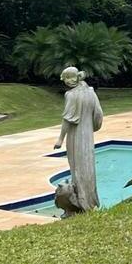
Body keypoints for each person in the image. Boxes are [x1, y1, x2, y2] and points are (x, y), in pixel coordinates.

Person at [53, 66, 104, 213]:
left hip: (76, 136)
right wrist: (90, 127)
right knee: (88, 168)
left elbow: (67, 120)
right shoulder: (91, 92)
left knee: (77, 168)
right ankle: (90, 201)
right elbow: (98, 115)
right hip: (88, 136)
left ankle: (81, 203)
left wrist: (60, 139)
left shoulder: (71, 95)